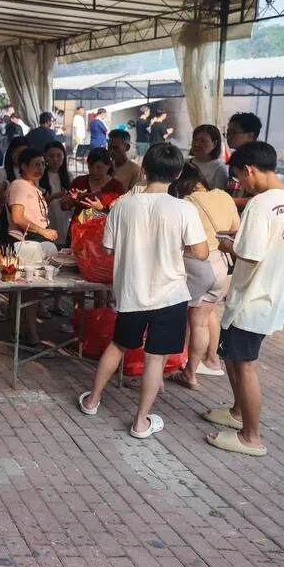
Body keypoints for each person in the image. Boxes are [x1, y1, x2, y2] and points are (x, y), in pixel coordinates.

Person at [76, 143, 208, 439]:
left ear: (144, 170)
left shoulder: (122, 205)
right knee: (155, 357)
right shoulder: (184, 208)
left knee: (118, 345)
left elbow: (108, 248)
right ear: (177, 174)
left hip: (132, 292)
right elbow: (200, 253)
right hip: (170, 294)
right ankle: (140, 421)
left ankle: (92, 400)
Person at [203, 142, 284, 456]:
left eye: (240, 178)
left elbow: (248, 256)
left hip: (251, 300)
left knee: (245, 366)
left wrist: (225, 244)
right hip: (274, 296)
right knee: (233, 358)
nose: (242, 185)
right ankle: (238, 413)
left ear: (250, 169)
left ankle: (251, 437)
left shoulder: (260, 205)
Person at [167, 164, 239, 389]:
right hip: (221, 265)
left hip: (195, 263)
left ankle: (162, 368)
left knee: (171, 319)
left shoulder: (185, 204)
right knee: (199, 323)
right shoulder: (224, 196)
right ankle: (190, 373)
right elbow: (236, 228)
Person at [5, 148, 61, 346]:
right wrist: (43, 231)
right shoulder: (19, 185)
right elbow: (17, 218)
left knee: (30, 292)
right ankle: (31, 336)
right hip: (26, 242)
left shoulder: (33, 187)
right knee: (30, 291)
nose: (41, 168)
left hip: (34, 242)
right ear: (23, 166)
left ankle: (19, 332)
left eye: (42, 164)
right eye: (36, 164)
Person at [223, 112, 263, 205]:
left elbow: (258, 199)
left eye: (233, 133)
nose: (228, 137)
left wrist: (226, 202)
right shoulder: (236, 157)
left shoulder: (257, 160)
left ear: (251, 136)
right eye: (227, 133)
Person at [39, 141, 71, 243]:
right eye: (51, 156)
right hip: (45, 222)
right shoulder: (39, 176)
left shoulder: (68, 176)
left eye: (58, 156)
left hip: (63, 221)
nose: (55, 159)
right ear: (44, 157)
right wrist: (54, 196)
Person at [189, 124, 228, 192]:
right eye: (195, 140)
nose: (196, 144)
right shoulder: (185, 163)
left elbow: (217, 195)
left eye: (202, 141)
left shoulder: (219, 168)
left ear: (215, 144)